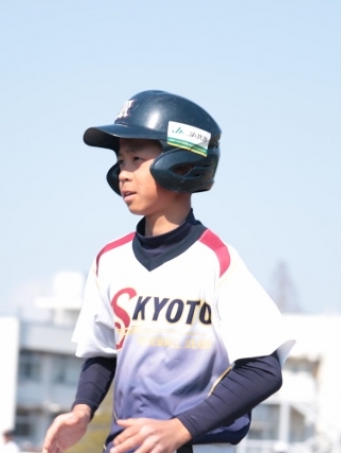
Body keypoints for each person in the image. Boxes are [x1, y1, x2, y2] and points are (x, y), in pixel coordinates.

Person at [42, 90, 294, 453]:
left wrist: (181, 429)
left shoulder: (216, 261)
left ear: (181, 162)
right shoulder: (110, 260)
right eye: (120, 160)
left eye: (136, 159)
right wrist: (82, 410)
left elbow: (262, 370)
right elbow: (102, 352)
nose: (123, 173)